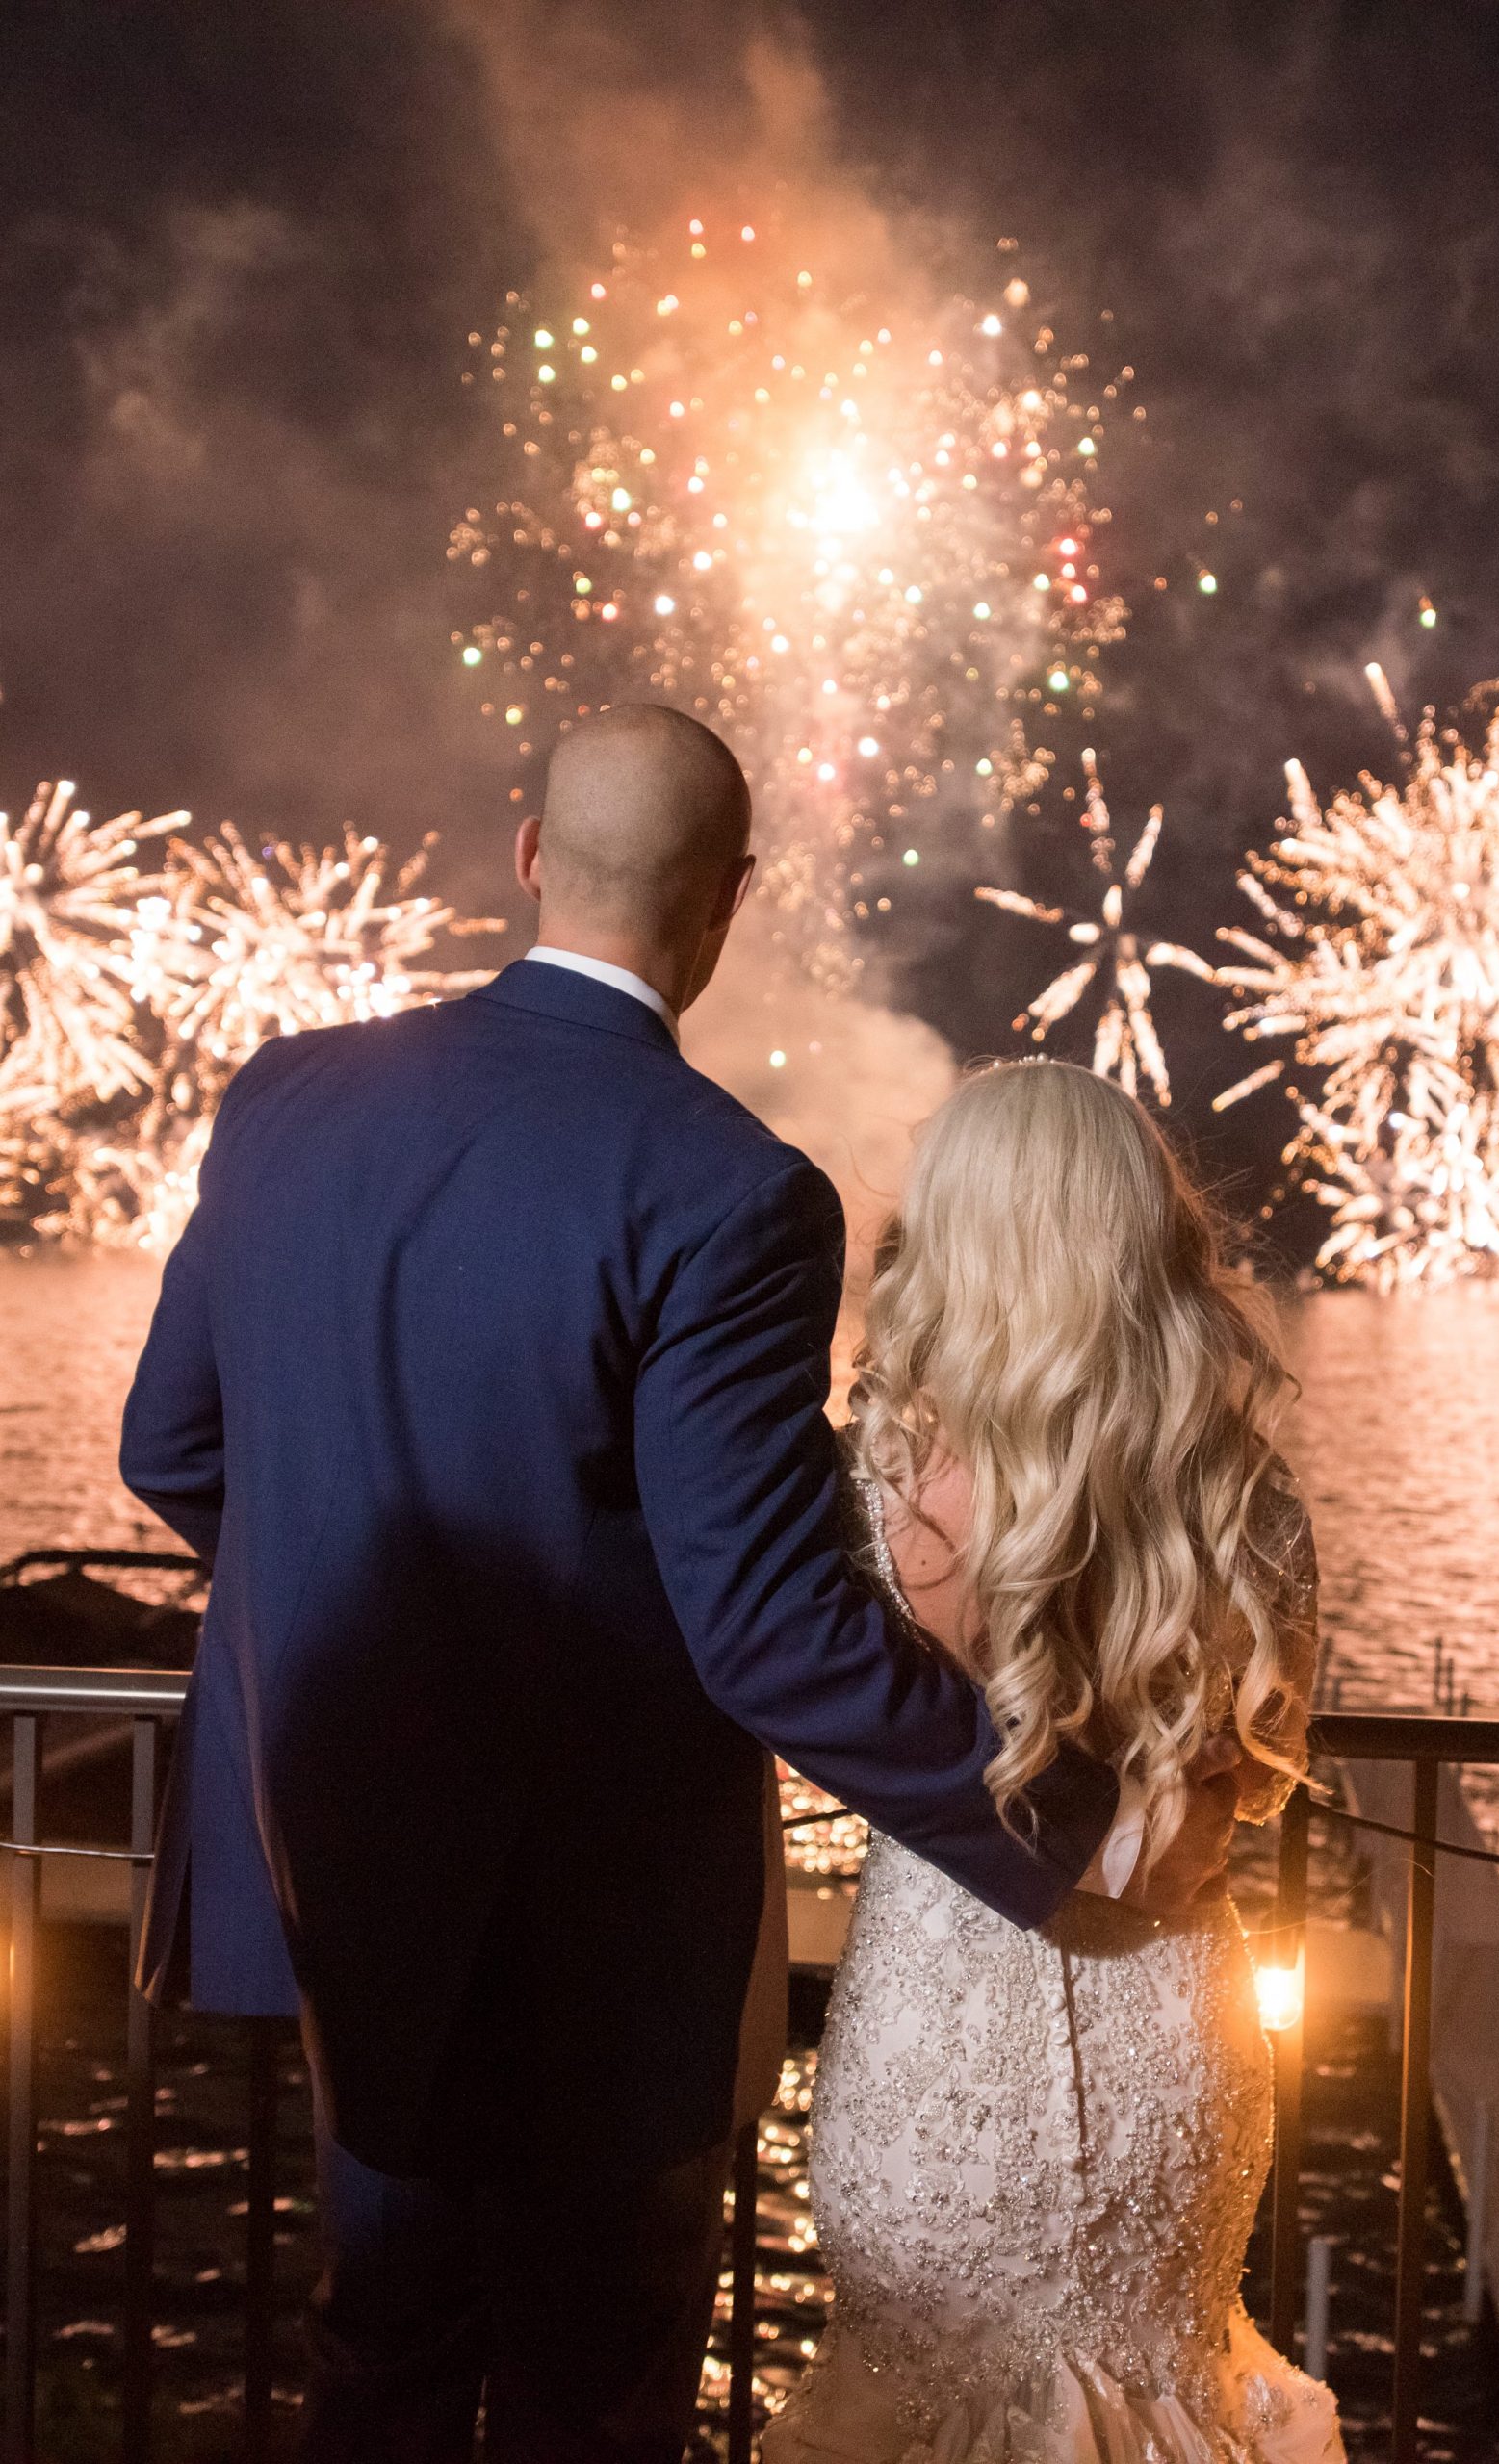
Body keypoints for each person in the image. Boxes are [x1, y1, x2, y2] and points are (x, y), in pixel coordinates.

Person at [119, 706, 1231, 2463]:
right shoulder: (728, 1191)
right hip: (592, 1943)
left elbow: (172, 1450)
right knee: (593, 2402)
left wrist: (371, 1614)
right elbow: (772, 1621)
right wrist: (1073, 1827)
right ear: (728, 906)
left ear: (530, 854)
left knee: (376, 2367)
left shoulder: (287, 1098)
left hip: (327, 1870)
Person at [764, 1061, 1345, 2464]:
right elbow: (1261, 1773)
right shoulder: (1240, 1490)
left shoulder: (871, 1485)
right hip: (1172, 2039)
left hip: (931, 2051)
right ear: (1147, 1231)